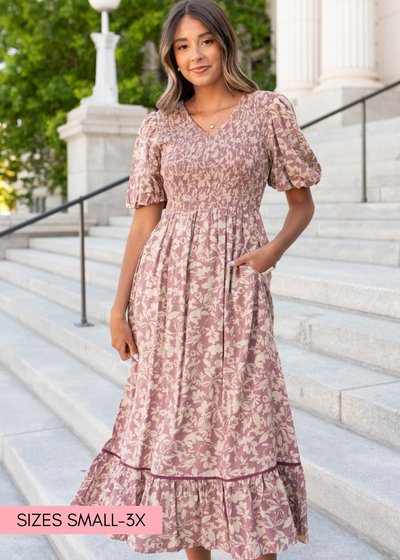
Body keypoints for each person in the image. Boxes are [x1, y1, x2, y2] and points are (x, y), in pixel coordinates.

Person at [70, 1, 322, 559]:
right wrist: (119, 308)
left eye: (204, 41)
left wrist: (270, 252)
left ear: (225, 43)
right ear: (171, 57)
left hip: (236, 287)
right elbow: (145, 219)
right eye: (182, 46)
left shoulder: (268, 112)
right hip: (165, 288)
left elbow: (301, 204)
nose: (195, 55)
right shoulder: (158, 124)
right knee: (179, 428)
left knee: (241, 419)